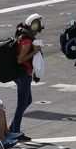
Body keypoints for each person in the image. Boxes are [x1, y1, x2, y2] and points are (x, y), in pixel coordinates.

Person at [10, 13, 44, 141]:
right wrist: (35, 50)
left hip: (24, 73)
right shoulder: (26, 40)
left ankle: (13, 127)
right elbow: (21, 59)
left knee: (27, 100)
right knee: (22, 103)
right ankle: (15, 132)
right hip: (22, 74)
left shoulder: (24, 36)